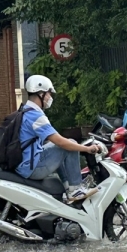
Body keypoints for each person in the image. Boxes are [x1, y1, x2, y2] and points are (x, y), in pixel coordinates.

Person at [17, 75, 97, 204]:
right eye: (49, 93)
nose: (50, 97)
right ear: (41, 93)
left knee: (59, 147)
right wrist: (87, 149)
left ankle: (67, 186)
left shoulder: (25, 110)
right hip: (32, 168)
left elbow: (52, 142)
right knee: (69, 144)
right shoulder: (35, 115)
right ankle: (75, 188)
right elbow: (60, 142)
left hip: (24, 163)